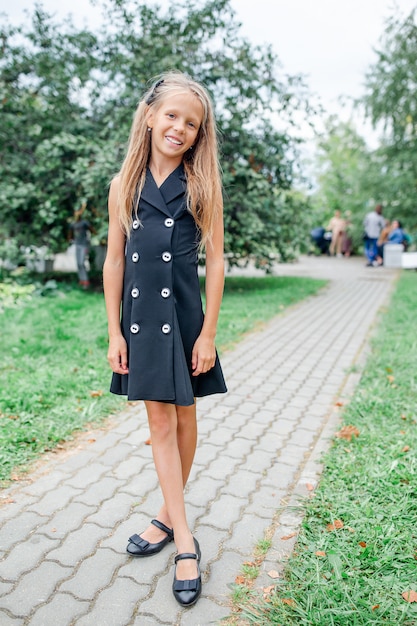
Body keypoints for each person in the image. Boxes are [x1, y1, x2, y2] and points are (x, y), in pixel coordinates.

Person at [103, 71, 227, 607]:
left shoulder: (201, 186)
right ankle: (183, 542)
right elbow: (112, 262)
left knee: (185, 418)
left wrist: (209, 334)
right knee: (159, 422)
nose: (180, 127)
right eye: (172, 115)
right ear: (150, 116)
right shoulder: (123, 187)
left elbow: (217, 262)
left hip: (184, 320)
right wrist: (112, 331)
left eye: (191, 123)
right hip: (139, 322)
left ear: (199, 134)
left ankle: (163, 515)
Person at [69, 203, 94, 288]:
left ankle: (86, 281)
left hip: (84, 245)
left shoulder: (84, 223)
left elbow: (93, 230)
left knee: (82, 263)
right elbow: (70, 234)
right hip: (77, 245)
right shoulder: (73, 224)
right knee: (78, 264)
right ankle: (82, 280)